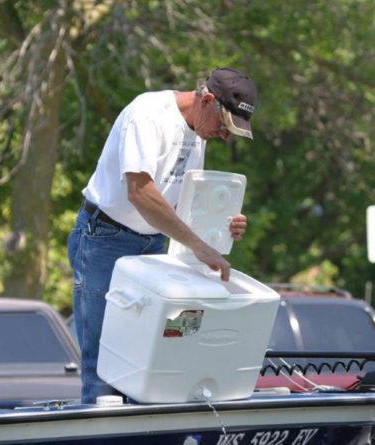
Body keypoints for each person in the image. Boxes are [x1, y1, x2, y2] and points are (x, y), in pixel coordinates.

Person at [67, 68, 257, 404]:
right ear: (207, 100)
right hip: (104, 240)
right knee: (103, 365)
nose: (224, 136)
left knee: (151, 362)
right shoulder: (147, 114)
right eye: (224, 126)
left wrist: (223, 224)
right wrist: (199, 246)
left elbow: (185, 206)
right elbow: (139, 192)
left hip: (154, 244)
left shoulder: (198, 130)